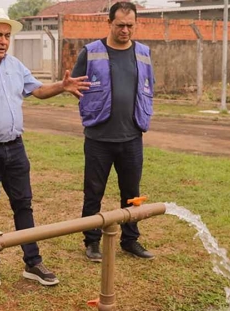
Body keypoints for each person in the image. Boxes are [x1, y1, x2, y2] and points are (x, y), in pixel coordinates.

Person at [0, 8, 90, 288]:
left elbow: (38, 91)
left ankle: (33, 262)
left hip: (15, 148)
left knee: (23, 204)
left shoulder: (15, 65)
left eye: (7, 35)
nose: (4, 41)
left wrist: (61, 87)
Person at [71, 2, 155, 262]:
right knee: (93, 192)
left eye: (130, 25)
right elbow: (75, 86)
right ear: (109, 23)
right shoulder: (91, 52)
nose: (125, 30)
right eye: (120, 25)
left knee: (132, 193)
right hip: (99, 138)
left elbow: (149, 86)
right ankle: (92, 242)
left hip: (131, 138)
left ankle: (130, 240)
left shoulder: (143, 53)